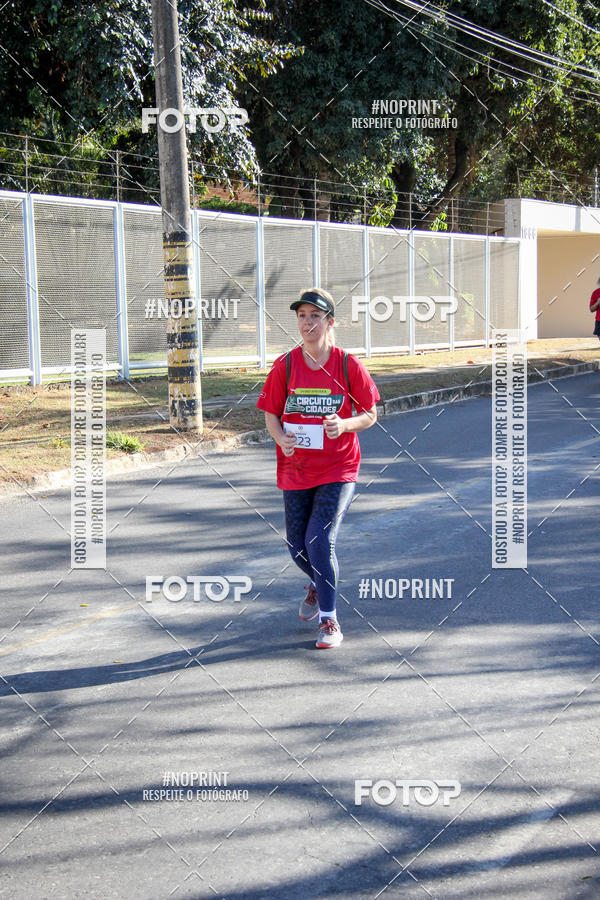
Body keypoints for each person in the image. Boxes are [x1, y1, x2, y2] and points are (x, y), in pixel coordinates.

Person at [256, 287, 380, 648]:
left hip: (338, 466)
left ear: (330, 322)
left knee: (319, 541)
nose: (307, 322)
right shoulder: (286, 365)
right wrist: (281, 438)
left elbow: (370, 414)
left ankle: (330, 622)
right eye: (302, 316)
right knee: (297, 546)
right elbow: (270, 415)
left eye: (315, 316)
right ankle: (318, 582)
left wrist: (343, 425)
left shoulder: (346, 364)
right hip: (296, 467)